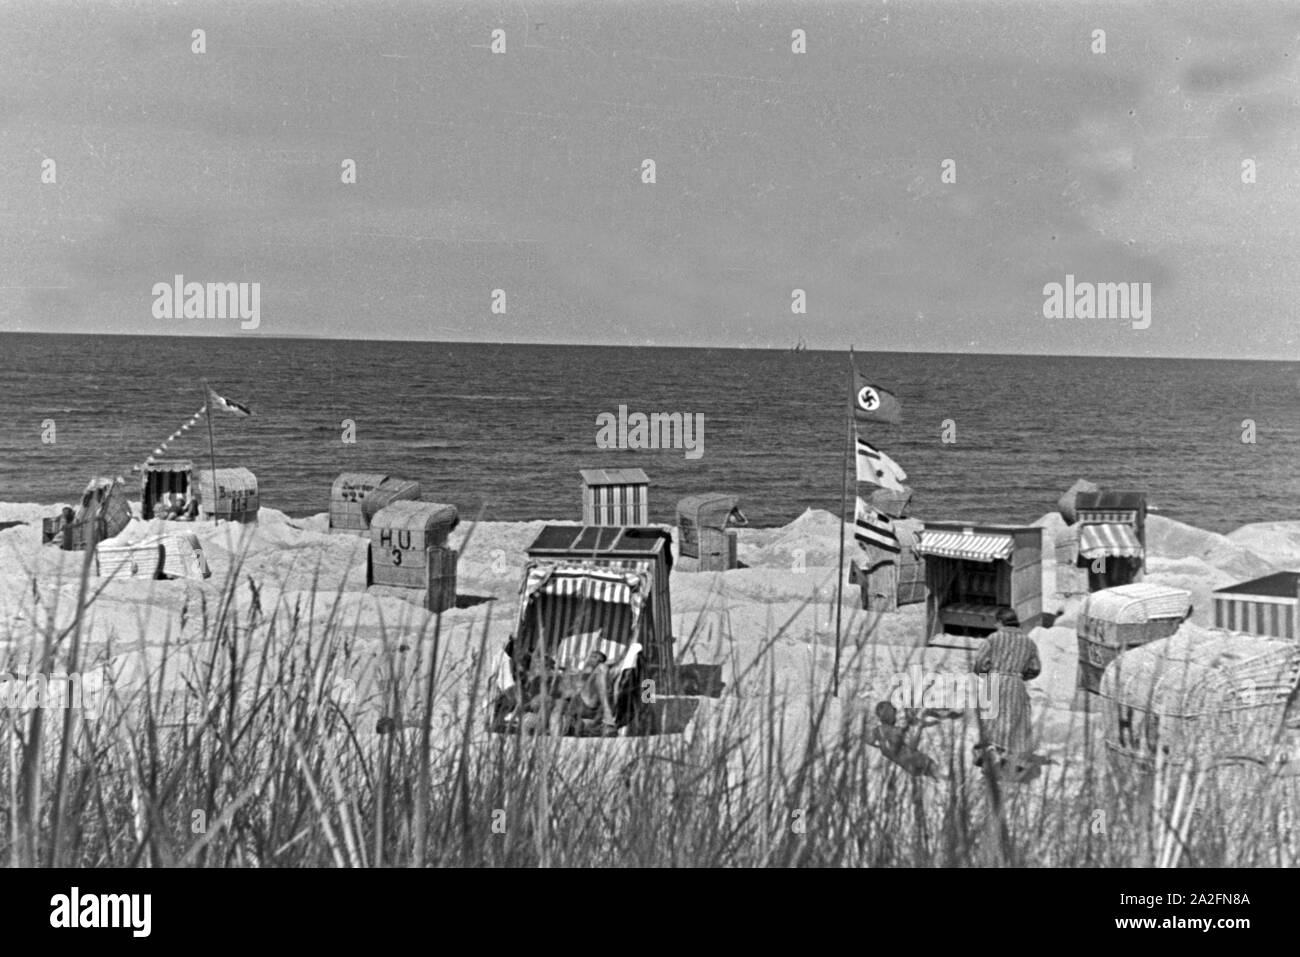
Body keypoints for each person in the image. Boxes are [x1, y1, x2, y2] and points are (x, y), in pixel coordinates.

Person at [972, 607, 1041, 773]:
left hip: (994, 681)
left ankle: (989, 754)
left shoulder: (993, 638)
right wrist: (1019, 676)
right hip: (1015, 684)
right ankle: (1010, 758)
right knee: (1014, 721)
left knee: (991, 720)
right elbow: (1035, 668)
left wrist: (984, 674)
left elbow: (980, 662)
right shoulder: (1029, 642)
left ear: (1000, 622)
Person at [868, 700, 939, 779]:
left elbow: (869, 741)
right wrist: (920, 727)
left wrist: (880, 745)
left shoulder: (879, 731)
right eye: (892, 712)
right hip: (919, 763)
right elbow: (912, 745)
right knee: (936, 772)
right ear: (887, 714)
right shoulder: (894, 731)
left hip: (913, 767)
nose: (895, 715)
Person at [555, 650, 618, 736]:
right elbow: (561, 691)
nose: (595, 660)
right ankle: (603, 720)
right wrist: (573, 689)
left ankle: (605, 718)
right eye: (594, 656)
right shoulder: (574, 673)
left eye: (599, 660)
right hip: (578, 704)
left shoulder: (600, 673)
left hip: (593, 706)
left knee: (602, 668)